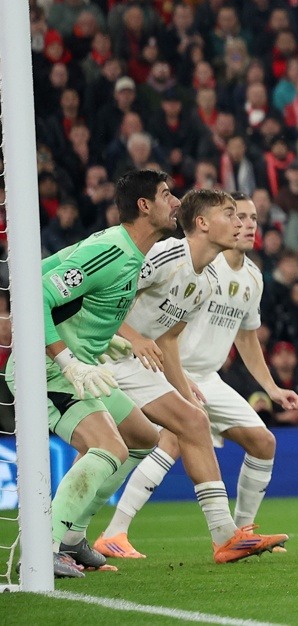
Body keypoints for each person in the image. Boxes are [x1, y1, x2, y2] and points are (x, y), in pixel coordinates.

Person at [95, 193, 298, 558]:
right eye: (236, 215)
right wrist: (140, 344)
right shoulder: (191, 259)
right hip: (155, 365)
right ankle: (113, 531)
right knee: (170, 437)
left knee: (262, 442)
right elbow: (126, 303)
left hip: (205, 377)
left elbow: (245, 337)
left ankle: (239, 533)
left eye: (252, 218)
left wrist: (271, 387)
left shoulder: (250, 278)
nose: (246, 224)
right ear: (206, 223)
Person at [7, 171, 173, 577]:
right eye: (167, 194)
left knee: (142, 437)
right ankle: (44, 548)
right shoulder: (112, 250)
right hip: (47, 370)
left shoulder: (125, 250)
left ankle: (72, 537)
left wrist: (104, 337)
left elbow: (46, 270)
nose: (176, 202)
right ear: (144, 206)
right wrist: (67, 358)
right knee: (109, 447)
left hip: (82, 367)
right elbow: (36, 293)